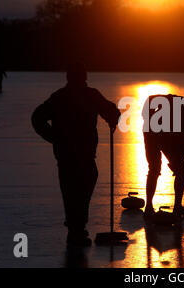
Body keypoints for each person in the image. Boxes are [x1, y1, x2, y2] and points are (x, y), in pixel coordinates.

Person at [31, 62, 121, 246]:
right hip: (74, 152)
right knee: (77, 187)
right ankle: (76, 228)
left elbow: (109, 110)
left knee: (73, 187)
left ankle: (76, 227)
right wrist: (53, 137)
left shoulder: (65, 96)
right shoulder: (83, 95)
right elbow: (37, 117)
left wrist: (113, 117)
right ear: (81, 77)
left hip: (71, 152)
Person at [142, 94, 184, 219]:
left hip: (168, 137)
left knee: (181, 170)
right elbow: (151, 98)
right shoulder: (178, 101)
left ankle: (177, 207)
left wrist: (177, 162)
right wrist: (149, 114)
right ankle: (149, 208)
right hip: (152, 131)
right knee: (155, 169)